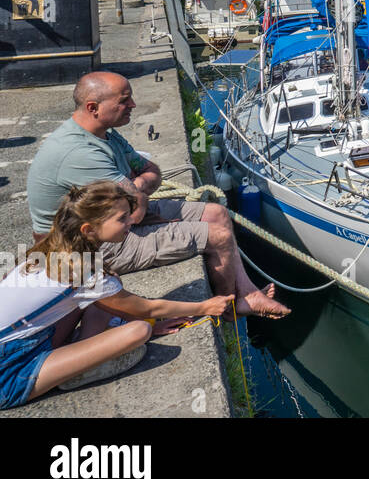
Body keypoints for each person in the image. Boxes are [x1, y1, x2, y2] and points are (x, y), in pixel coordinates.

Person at [26, 72, 289, 319]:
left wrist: (134, 187)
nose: (133, 104)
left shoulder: (106, 135)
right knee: (218, 236)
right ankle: (228, 308)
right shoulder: (80, 154)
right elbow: (136, 211)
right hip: (90, 244)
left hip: (115, 222)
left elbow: (152, 172)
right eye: (124, 100)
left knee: (216, 213)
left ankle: (249, 295)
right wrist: (136, 193)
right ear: (93, 107)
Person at [1, 182, 232, 410]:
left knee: (109, 291)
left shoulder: (52, 250)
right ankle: (75, 372)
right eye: (122, 218)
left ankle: (78, 354)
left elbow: (126, 304)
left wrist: (141, 316)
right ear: (88, 230)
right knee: (139, 330)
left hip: (28, 338)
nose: (131, 221)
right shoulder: (81, 272)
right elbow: (148, 309)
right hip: (8, 369)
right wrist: (205, 307)